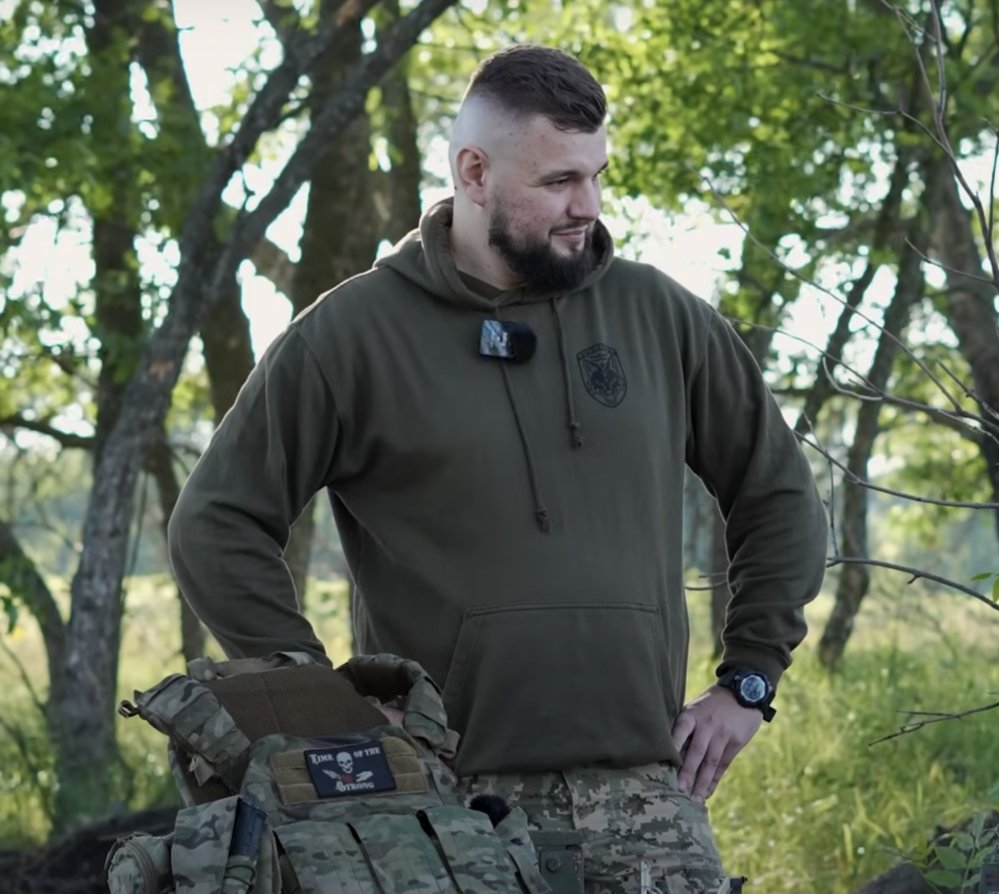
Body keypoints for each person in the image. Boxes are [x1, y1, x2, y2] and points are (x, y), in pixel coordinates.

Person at [167, 44, 828, 894]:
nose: (586, 205)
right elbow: (216, 524)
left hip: (647, 796)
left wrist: (749, 679)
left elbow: (779, 495)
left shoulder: (661, 316)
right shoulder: (352, 334)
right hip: (441, 808)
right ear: (474, 173)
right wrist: (324, 708)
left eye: (595, 175)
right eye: (558, 181)